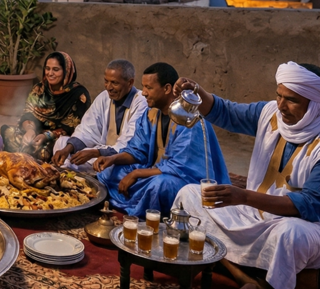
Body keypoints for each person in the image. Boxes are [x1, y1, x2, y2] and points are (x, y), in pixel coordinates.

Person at [172, 62, 320, 289]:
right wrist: (199, 92)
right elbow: (226, 112)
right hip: (252, 214)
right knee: (189, 195)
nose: (281, 105)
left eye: (291, 100)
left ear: (314, 104)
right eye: (279, 96)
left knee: (290, 235)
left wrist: (243, 197)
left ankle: (262, 288)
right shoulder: (270, 114)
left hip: (300, 224)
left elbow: (310, 205)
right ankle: (241, 276)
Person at [93, 62, 229, 217]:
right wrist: (112, 158)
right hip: (155, 171)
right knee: (108, 171)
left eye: (148, 88)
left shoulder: (190, 120)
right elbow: (137, 150)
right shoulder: (150, 114)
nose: (143, 93)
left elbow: (180, 167)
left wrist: (137, 173)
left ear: (167, 89)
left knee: (160, 186)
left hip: (185, 181)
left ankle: (146, 217)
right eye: (143, 87)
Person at [53, 59, 148, 171]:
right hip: (100, 152)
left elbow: (130, 144)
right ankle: (68, 169)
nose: (109, 87)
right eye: (106, 81)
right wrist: (68, 149)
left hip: (120, 158)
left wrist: (95, 152)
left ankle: (71, 169)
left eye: (114, 83)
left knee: (113, 168)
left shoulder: (141, 101)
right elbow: (87, 129)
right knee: (62, 143)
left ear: (130, 83)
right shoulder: (104, 97)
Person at [1, 52, 91, 161]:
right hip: (36, 133)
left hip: (58, 138)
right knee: (9, 133)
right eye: (47, 69)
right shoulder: (39, 89)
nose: (50, 73)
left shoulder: (79, 95)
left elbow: (72, 127)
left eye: (56, 69)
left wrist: (46, 136)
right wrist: (30, 130)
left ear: (66, 72)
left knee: (46, 151)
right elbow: (28, 114)